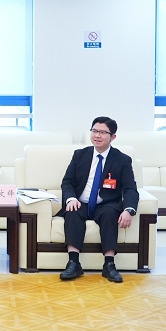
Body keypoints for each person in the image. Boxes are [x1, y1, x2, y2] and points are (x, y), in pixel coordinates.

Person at [58, 117, 139, 283]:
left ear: (113, 137)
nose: (97, 135)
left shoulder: (122, 159)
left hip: (106, 203)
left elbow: (130, 188)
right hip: (81, 202)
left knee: (110, 214)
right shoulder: (80, 155)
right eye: (94, 131)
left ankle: (109, 265)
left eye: (102, 132)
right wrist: (71, 198)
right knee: (72, 212)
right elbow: (67, 182)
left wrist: (129, 209)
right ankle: (73, 263)